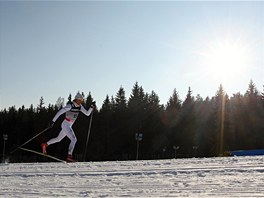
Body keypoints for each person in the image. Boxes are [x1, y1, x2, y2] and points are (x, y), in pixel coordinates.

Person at [41, 92, 96, 162]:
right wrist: (53, 121)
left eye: (81, 101)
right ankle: (69, 156)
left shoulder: (80, 106)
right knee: (74, 139)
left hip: (69, 125)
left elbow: (87, 114)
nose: (81, 102)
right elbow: (60, 112)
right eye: (80, 100)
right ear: (77, 99)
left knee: (58, 139)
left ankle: (45, 145)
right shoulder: (70, 106)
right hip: (65, 124)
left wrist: (91, 107)